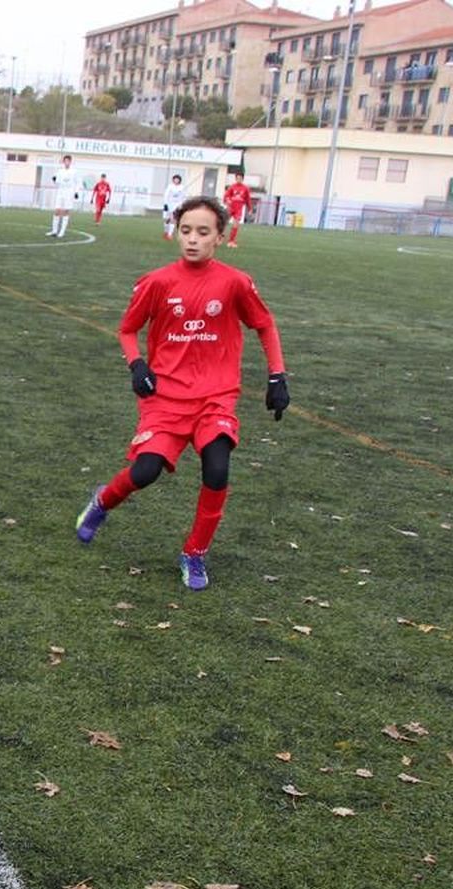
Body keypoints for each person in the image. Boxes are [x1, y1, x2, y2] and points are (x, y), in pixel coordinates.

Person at [74, 196, 290, 592]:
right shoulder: (157, 282)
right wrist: (137, 365)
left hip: (216, 397)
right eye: (185, 230)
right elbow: (127, 329)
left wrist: (278, 376)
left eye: (203, 232)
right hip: (166, 398)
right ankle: (103, 501)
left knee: (218, 467)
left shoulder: (234, 282)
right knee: (145, 472)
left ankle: (194, 553)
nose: (192, 239)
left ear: (220, 238)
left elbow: (265, 324)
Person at [46, 154, 82, 238]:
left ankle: (62, 232)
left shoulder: (74, 171)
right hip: (60, 191)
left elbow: (78, 182)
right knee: (57, 210)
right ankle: (54, 231)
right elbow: (57, 182)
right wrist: (54, 180)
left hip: (69, 192)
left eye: (68, 161)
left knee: (66, 211)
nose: (66, 162)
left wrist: (76, 192)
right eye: (65, 161)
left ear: (70, 162)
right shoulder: (60, 171)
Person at [223, 172, 252, 247]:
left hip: (238, 209)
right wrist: (227, 201)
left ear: (242, 179)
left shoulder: (245, 188)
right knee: (224, 223)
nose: (239, 180)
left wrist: (250, 209)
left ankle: (231, 241)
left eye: (240, 178)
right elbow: (226, 196)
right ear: (235, 179)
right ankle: (218, 237)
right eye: (237, 178)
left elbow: (248, 199)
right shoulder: (232, 187)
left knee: (235, 225)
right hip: (231, 207)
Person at [162, 173, 186, 240]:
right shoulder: (170, 186)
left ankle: (170, 234)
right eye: (175, 179)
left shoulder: (182, 187)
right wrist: (166, 204)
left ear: (179, 180)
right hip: (169, 204)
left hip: (177, 205)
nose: (176, 180)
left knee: (173, 219)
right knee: (167, 220)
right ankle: (166, 232)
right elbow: (166, 195)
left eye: (177, 179)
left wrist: (181, 204)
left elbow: (183, 197)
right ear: (173, 180)